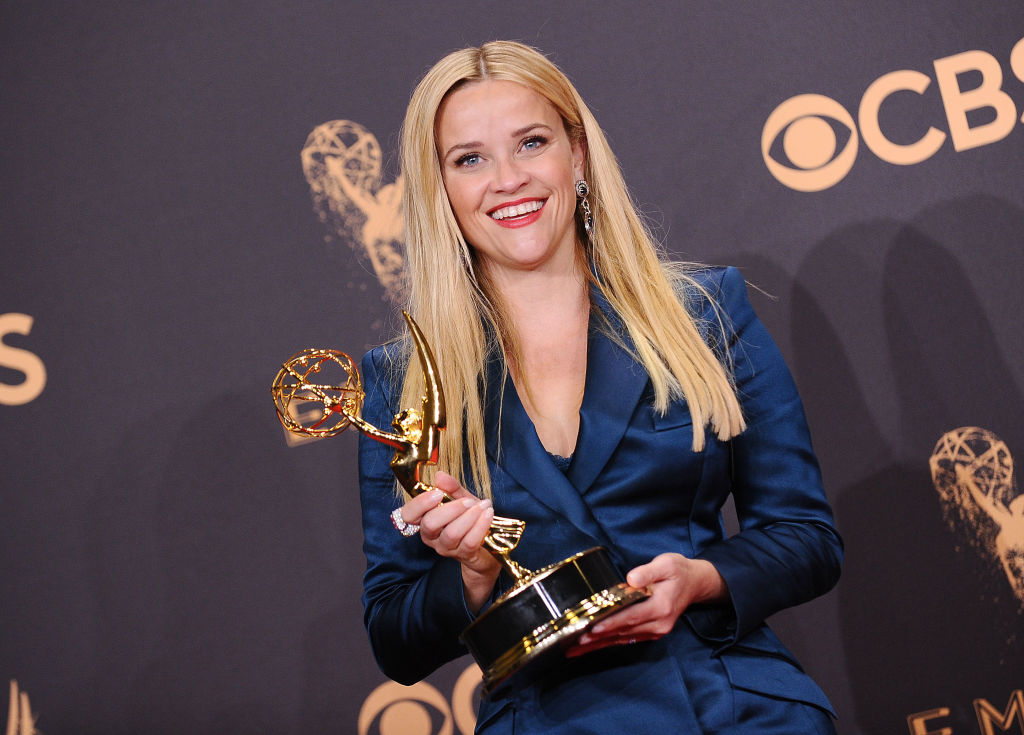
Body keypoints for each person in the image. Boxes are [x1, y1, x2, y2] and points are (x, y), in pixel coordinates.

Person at [356, 40, 843, 734]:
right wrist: (472, 573)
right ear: (440, 188)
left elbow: (806, 537)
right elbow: (393, 637)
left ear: (577, 155)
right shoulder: (401, 380)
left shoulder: (702, 313)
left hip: (735, 710)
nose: (508, 179)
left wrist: (701, 580)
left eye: (531, 143)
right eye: (470, 159)